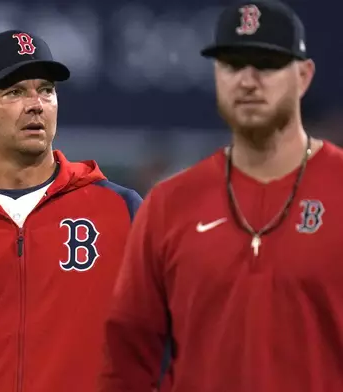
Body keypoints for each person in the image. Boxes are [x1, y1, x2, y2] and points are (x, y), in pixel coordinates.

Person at [100, 0, 343, 391]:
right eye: (231, 65)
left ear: (303, 76)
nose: (247, 80)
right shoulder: (170, 203)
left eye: (265, 64)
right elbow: (127, 358)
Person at [0, 30, 143, 392]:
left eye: (46, 90)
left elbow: (164, 339)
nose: (35, 104)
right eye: (15, 92)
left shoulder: (121, 211)